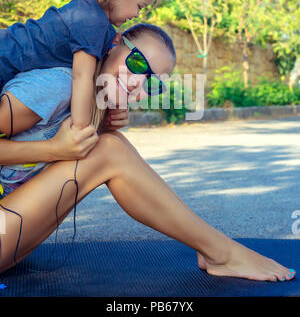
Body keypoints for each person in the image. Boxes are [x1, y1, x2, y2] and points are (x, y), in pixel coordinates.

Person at [0, 23, 296, 282]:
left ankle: (216, 250)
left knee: (109, 147)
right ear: (115, 42)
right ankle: (220, 252)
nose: (137, 81)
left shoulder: (87, 105)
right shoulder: (57, 85)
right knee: (109, 151)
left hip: (10, 239)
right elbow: (54, 148)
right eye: (138, 63)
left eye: (152, 82)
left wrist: (102, 125)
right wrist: (53, 149)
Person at [0, 0, 163, 131]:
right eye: (139, 6)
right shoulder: (90, 21)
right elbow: (82, 76)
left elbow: (101, 74)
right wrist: (81, 128)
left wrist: (116, 107)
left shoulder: (98, 22)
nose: (137, 15)